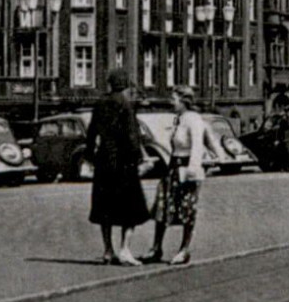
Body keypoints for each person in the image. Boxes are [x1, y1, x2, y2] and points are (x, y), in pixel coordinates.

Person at [87, 69, 150, 266]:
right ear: (126, 86)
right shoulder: (126, 105)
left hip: (104, 162)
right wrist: (140, 160)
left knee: (104, 207)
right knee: (131, 208)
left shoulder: (99, 104)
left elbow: (91, 133)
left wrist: (91, 156)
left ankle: (107, 250)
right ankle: (125, 249)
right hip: (124, 164)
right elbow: (132, 136)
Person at [147, 85, 207, 266]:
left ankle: (184, 250)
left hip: (187, 169)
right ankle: (156, 248)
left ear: (183, 101)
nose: (171, 102)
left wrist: (192, 170)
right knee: (162, 207)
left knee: (187, 209)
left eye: (174, 99)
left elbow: (197, 145)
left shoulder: (194, 119)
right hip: (173, 169)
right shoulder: (179, 119)